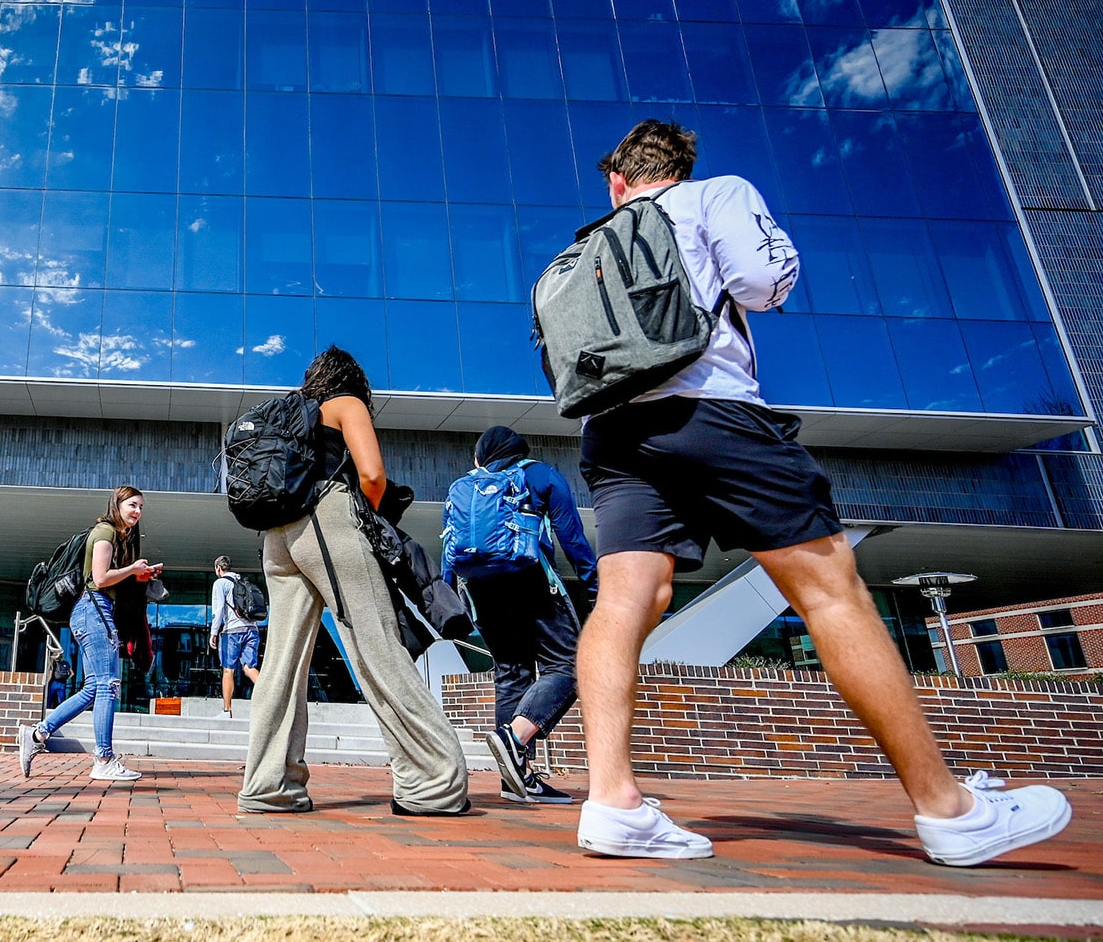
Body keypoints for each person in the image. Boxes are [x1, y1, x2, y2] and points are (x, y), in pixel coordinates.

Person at [572, 119, 1070, 865]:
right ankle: (950, 810)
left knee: (623, 601)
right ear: (680, 166)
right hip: (713, 409)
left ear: (617, 180)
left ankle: (611, 801)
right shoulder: (716, 194)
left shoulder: (592, 240)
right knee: (831, 593)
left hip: (613, 431)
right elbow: (764, 284)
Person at [240, 347, 471, 817]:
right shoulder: (345, 404)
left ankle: (269, 786)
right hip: (328, 523)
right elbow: (372, 475)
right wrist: (369, 520)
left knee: (282, 664)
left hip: (277, 538)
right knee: (377, 645)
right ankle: (433, 782)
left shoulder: (286, 414)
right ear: (351, 378)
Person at [447, 427, 597, 806]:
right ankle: (514, 740)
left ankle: (516, 780)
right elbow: (573, 539)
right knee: (569, 665)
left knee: (512, 673)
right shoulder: (542, 475)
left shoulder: (464, 486)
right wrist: (594, 589)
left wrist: (448, 601)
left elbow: (450, 548)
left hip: (481, 590)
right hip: (530, 582)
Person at [17, 486, 161, 782]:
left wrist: (137, 576)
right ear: (117, 504)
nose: (138, 511)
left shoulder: (114, 536)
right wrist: (132, 569)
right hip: (94, 611)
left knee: (94, 687)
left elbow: (106, 580)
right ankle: (104, 758)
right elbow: (99, 578)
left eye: (141, 507)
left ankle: (37, 733)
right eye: (133, 505)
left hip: (91, 611)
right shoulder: (105, 532)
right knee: (108, 684)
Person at [208, 556, 263, 717]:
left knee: (228, 670)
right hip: (252, 629)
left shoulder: (220, 583)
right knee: (249, 667)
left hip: (232, 631)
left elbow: (218, 610)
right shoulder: (243, 582)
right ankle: (272, 700)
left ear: (218, 568)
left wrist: (214, 632)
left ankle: (227, 711)